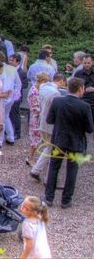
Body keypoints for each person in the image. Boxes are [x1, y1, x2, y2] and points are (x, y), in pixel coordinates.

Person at [44, 77, 94, 208]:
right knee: (72, 170)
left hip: (59, 140)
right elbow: (90, 128)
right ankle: (66, 200)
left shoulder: (57, 101)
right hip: (76, 142)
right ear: (80, 89)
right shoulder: (85, 106)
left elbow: (49, 120)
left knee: (53, 168)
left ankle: (48, 197)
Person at [30, 74, 66, 182]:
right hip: (50, 126)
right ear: (61, 81)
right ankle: (48, 178)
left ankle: (36, 170)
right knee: (53, 150)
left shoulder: (43, 87)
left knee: (48, 148)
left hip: (42, 123)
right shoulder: (56, 93)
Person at [27, 72, 51, 167]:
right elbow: (34, 108)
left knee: (41, 139)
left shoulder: (39, 89)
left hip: (40, 117)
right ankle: (30, 158)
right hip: (36, 119)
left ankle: (36, 158)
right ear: (42, 81)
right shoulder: (34, 92)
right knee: (35, 140)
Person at [73, 53, 94, 119]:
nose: (86, 65)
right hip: (82, 101)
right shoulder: (78, 73)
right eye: (85, 63)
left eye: (88, 63)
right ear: (82, 62)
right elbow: (74, 87)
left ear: (93, 62)